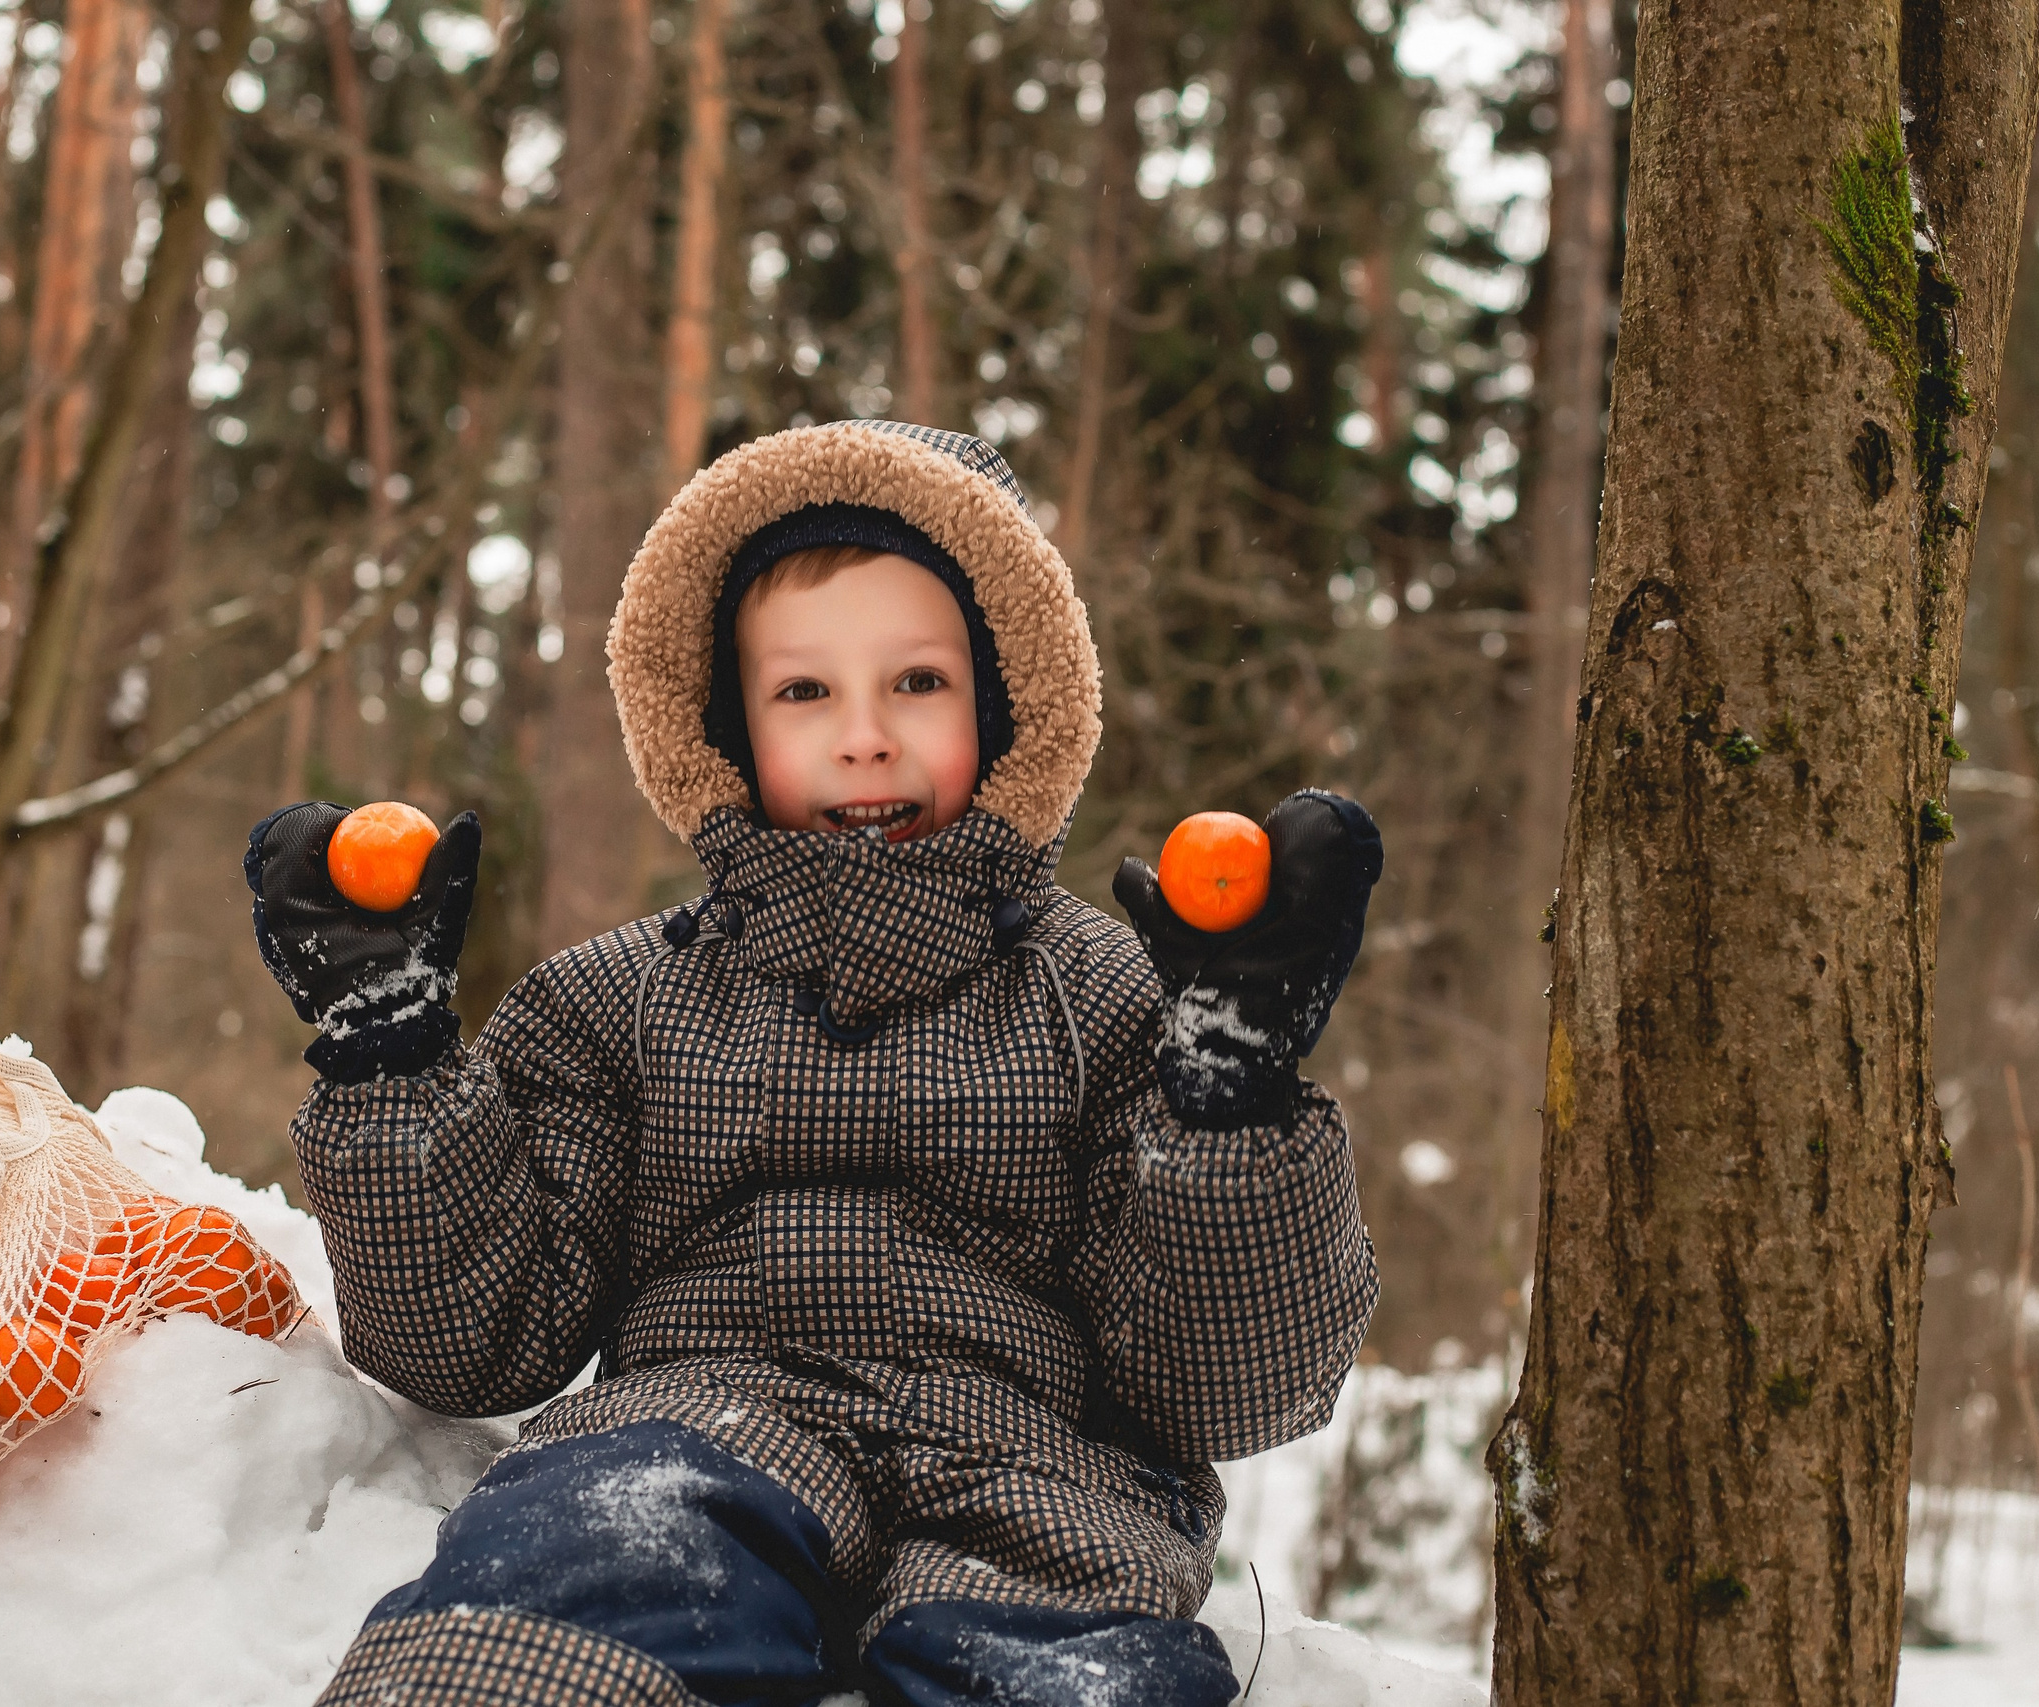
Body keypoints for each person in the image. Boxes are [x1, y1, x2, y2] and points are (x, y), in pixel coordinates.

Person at [244, 421, 1383, 1707]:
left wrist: (1229, 1104)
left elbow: (1228, 1392)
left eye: (916, 683)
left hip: (1037, 1475)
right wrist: (391, 1062)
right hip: (689, 1435)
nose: (863, 736)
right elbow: (472, 1347)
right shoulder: (614, 1001)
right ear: (725, 726)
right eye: (803, 692)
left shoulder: (1113, 1000)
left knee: (1073, 1675)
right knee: (569, 1581)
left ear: (1008, 704)